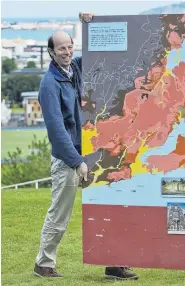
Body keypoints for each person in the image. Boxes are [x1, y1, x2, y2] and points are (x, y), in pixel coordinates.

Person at [33, 12, 138, 280]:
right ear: (51, 52)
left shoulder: (76, 69)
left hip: (91, 155)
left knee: (110, 208)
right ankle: (44, 263)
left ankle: (114, 264)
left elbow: (99, 55)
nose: (67, 52)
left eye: (69, 46)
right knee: (60, 214)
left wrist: (91, 24)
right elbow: (57, 131)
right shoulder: (49, 84)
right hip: (69, 159)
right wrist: (77, 162)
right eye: (61, 48)